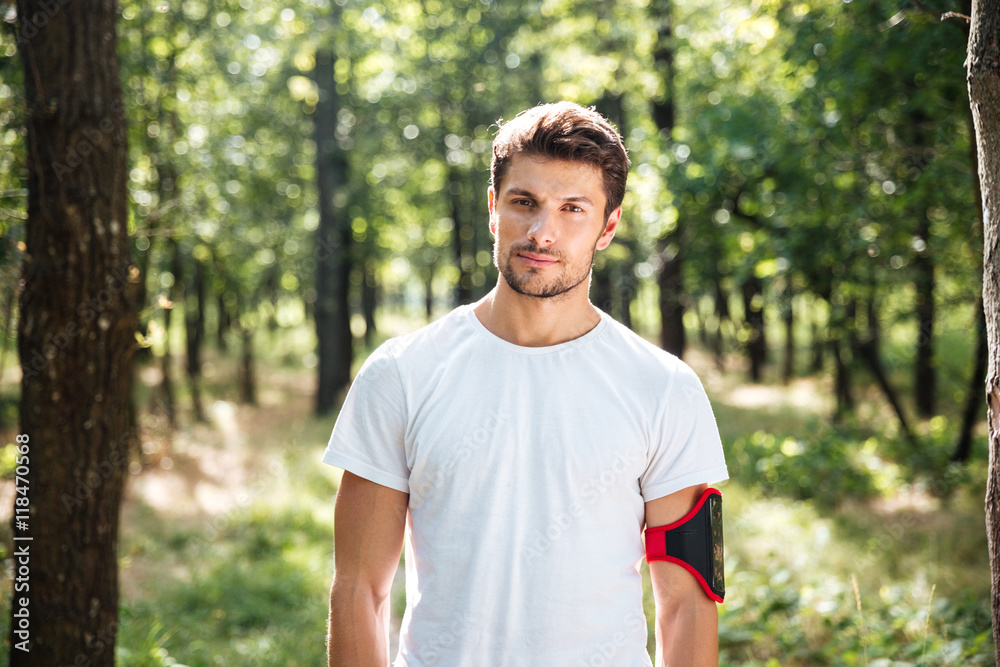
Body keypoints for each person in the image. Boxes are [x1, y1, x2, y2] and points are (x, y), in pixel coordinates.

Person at [322, 101, 729, 666]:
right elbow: (358, 591)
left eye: (572, 209)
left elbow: (688, 603)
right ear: (493, 208)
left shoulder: (665, 389)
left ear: (608, 226)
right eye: (524, 202)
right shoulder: (401, 374)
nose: (543, 232)